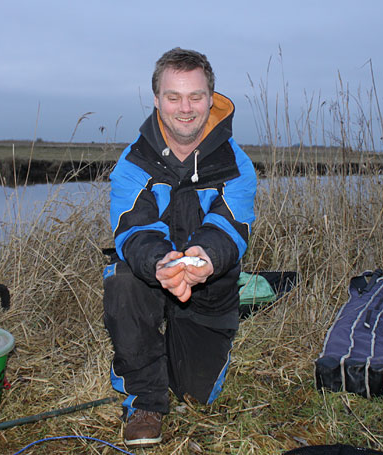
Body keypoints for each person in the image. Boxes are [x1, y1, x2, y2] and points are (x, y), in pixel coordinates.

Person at [103, 48, 257, 448]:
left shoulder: (237, 164)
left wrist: (206, 258)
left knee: (197, 395)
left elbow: (231, 225)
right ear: (157, 100)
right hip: (152, 278)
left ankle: (173, 351)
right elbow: (133, 228)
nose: (185, 108)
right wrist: (161, 263)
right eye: (173, 97)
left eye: (195, 97)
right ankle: (144, 402)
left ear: (211, 98)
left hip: (209, 285)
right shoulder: (132, 163)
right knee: (122, 277)